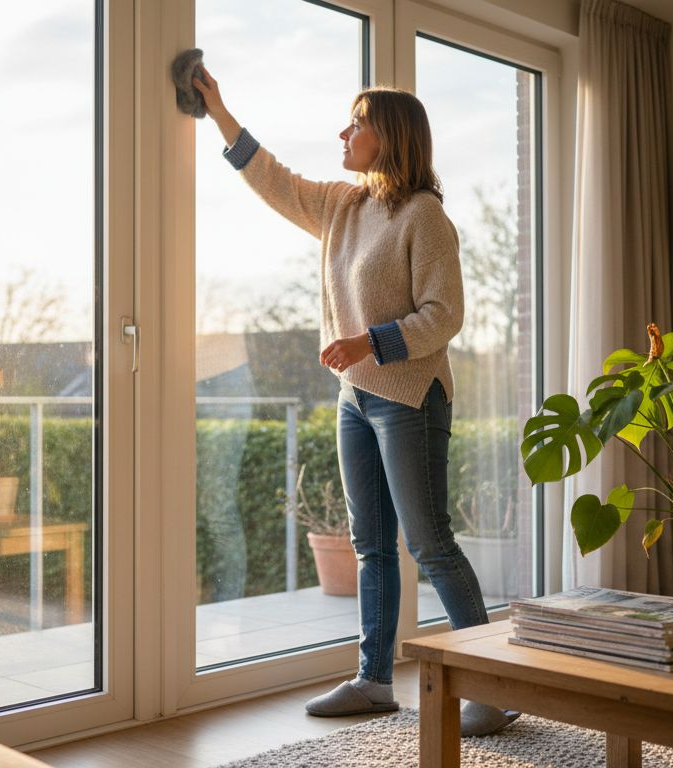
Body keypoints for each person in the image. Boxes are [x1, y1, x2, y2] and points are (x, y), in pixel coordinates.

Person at [193, 69, 520, 737]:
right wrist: (219, 110)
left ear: (390, 137)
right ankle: (375, 681)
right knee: (370, 545)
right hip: (356, 399)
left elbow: (443, 315)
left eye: (356, 123)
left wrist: (368, 342)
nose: (343, 133)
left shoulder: (425, 217)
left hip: (410, 398)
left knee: (430, 546)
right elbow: (273, 178)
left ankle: (492, 687)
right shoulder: (342, 206)